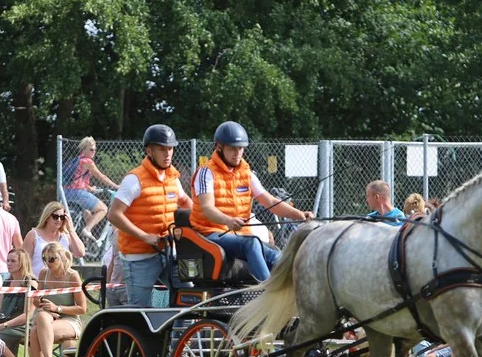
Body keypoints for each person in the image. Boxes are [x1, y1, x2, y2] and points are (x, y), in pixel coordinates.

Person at [189, 121, 313, 281]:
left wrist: (300, 215)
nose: (237, 153)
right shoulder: (206, 173)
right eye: (232, 148)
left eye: (240, 148)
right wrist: (228, 220)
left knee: (278, 257)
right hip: (210, 233)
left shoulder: (247, 173)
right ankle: (268, 292)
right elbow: (207, 208)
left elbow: (270, 201)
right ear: (219, 147)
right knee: (252, 243)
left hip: (240, 234)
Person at [108, 124, 194, 306]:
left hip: (169, 251)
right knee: (140, 309)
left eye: (170, 148)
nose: (168, 153)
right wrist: (144, 236)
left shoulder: (173, 178)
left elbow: (185, 202)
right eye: (162, 149)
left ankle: (181, 334)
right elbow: (114, 215)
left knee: (189, 296)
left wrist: (195, 223)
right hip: (138, 256)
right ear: (149, 151)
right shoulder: (134, 179)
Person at [27, 242, 85, 357]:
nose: (48, 263)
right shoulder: (43, 273)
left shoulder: (72, 276)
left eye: (52, 259)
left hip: (69, 319)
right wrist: (38, 302)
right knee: (40, 318)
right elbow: (36, 302)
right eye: (44, 259)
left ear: (62, 257)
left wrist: (57, 308)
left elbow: (83, 309)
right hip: (47, 316)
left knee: (35, 332)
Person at [62, 137, 119, 242]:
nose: (94, 152)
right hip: (78, 193)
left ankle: (87, 239)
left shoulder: (76, 160)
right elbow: (102, 177)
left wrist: (89, 188)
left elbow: (77, 179)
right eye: (91, 149)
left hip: (66, 193)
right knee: (103, 209)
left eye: (95, 150)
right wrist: (116, 186)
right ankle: (87, 230)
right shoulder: (88, 162)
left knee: (88, 211)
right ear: (84, 149)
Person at [23, 201, 85, 277]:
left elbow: (80, 253)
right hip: (38, 282)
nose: (59, 220)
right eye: (55, 216)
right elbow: (24, 263)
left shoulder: (66, 236)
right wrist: (33, 282)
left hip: (61, 283)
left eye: (62, 217)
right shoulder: (33, 235)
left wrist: (71, 230)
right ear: (47, 217)